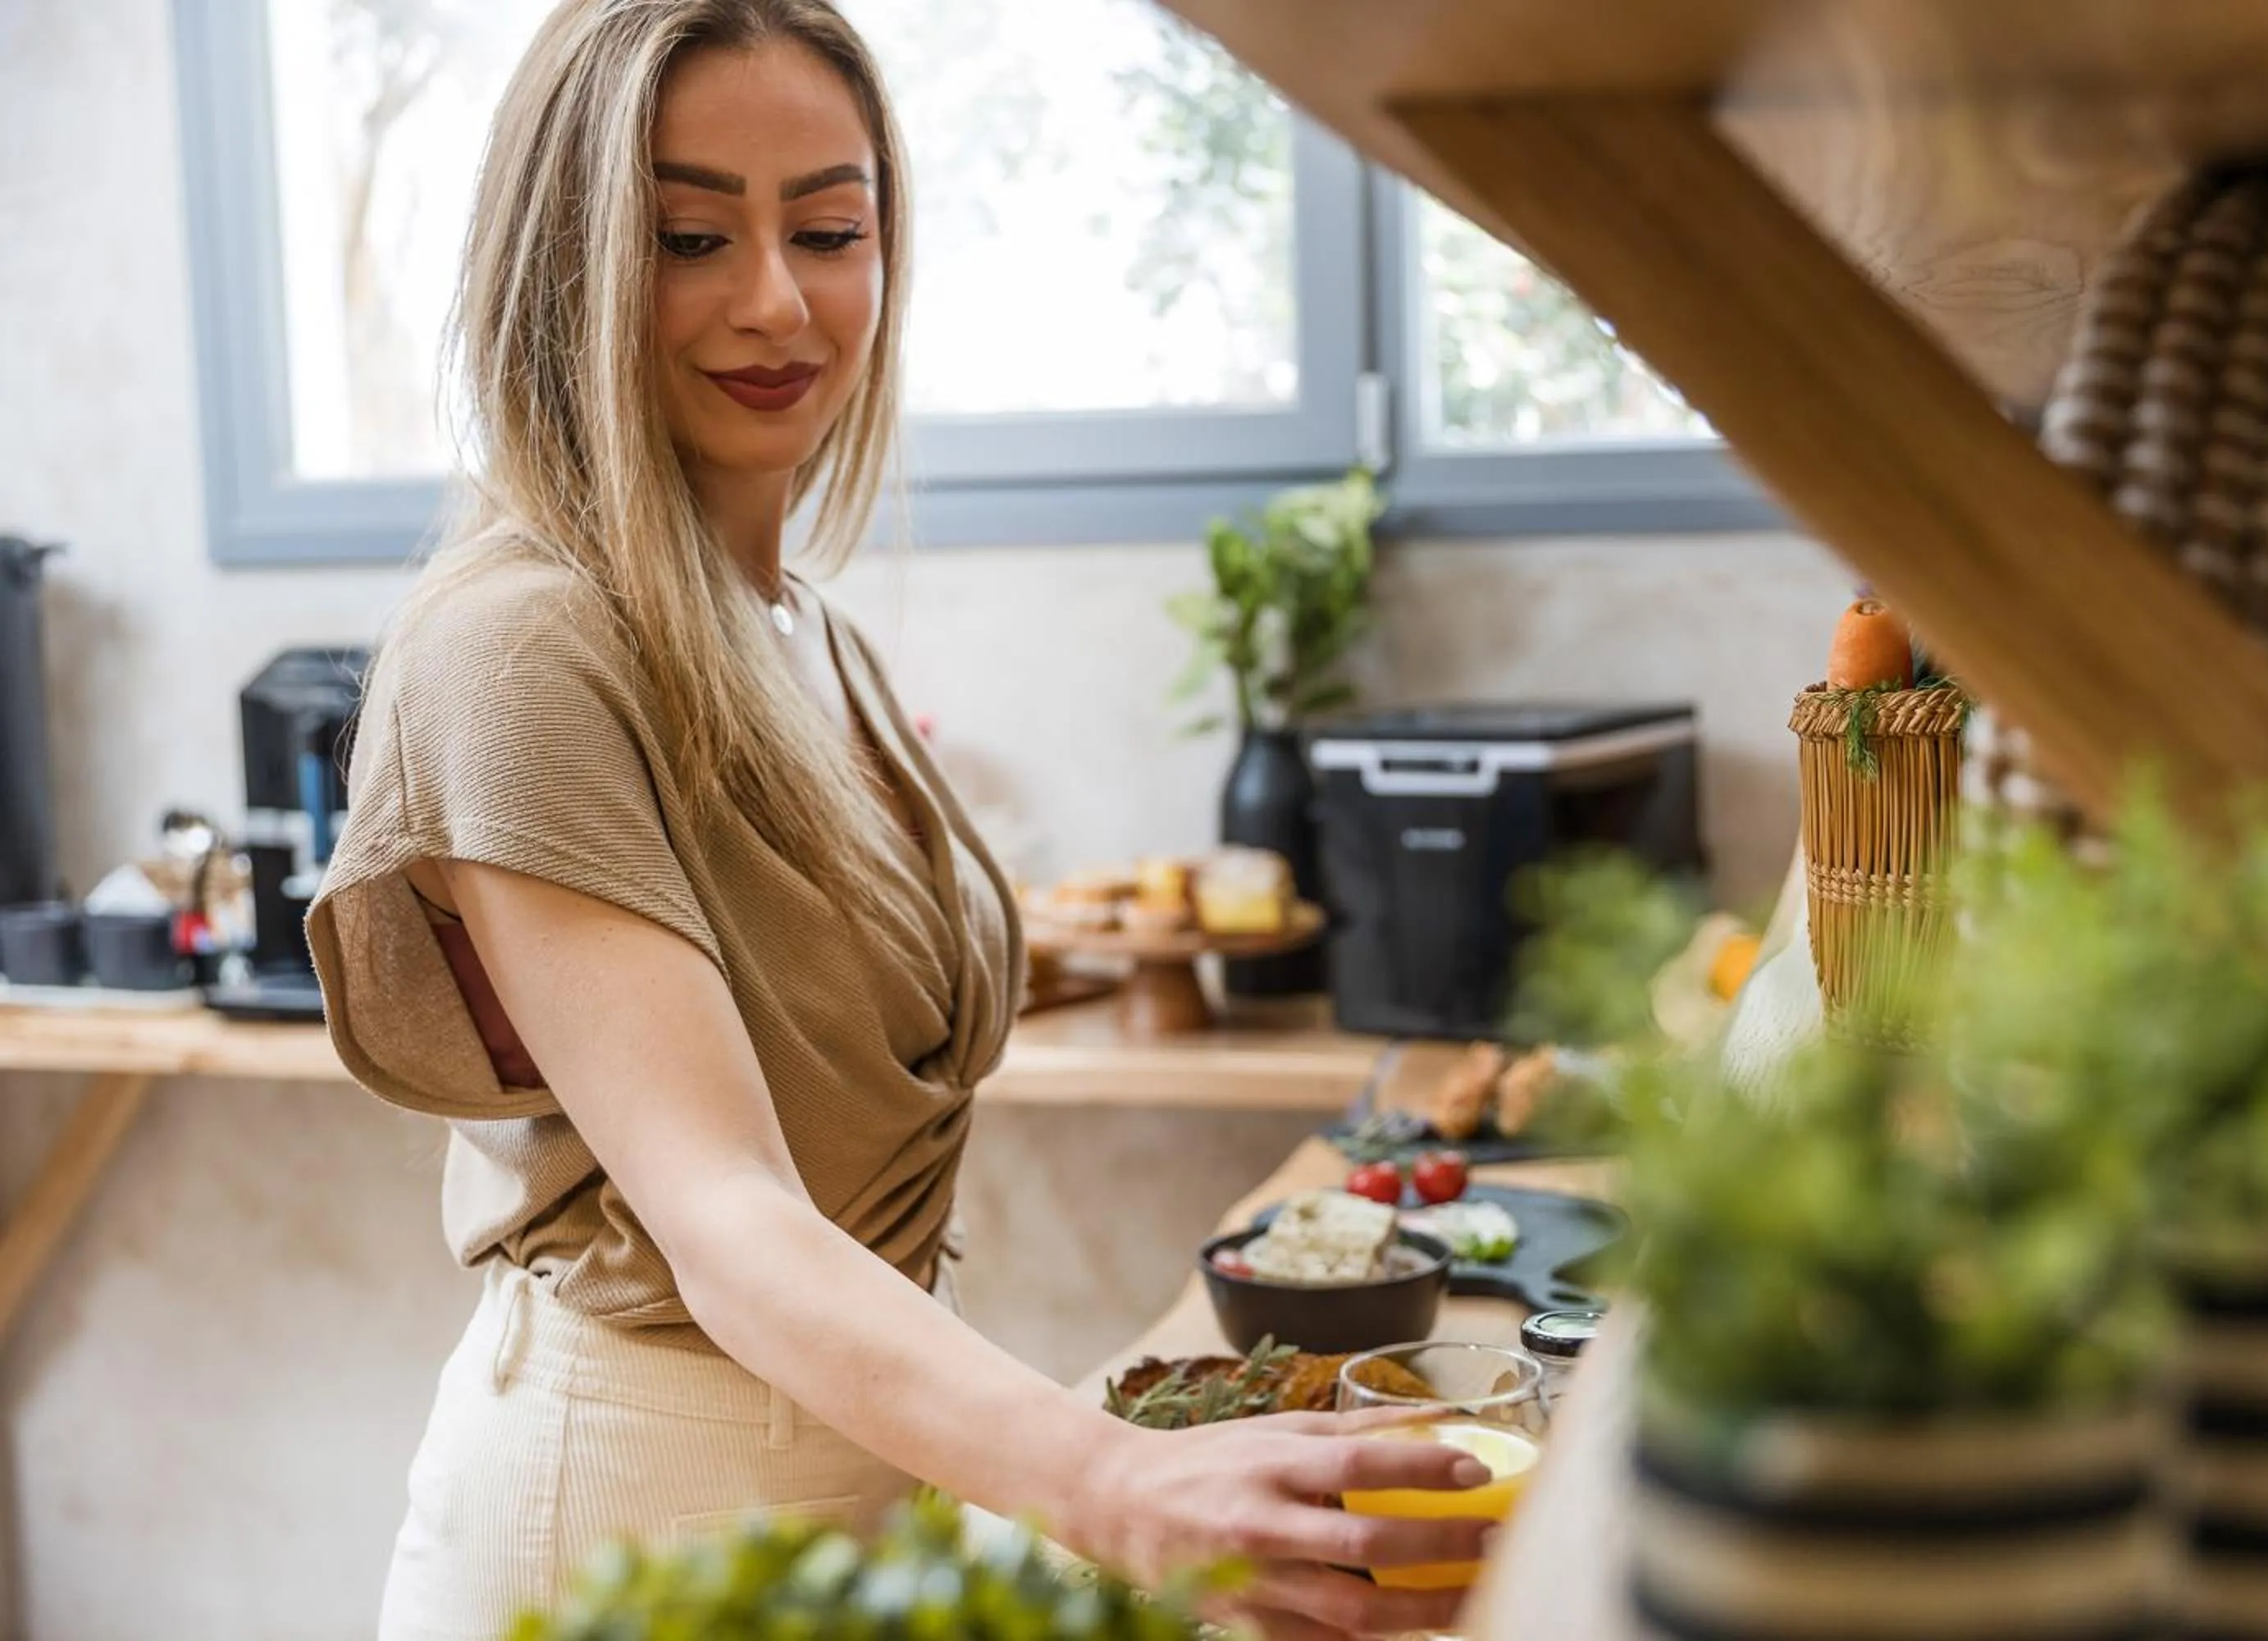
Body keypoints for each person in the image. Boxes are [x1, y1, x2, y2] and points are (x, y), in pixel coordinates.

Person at [306, 3, 1494, 1638]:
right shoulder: (519, 642)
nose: (778, 299)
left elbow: (849, 1006)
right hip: (630, 1502)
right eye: (690, 233)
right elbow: (722, 1207)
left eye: (831, 227)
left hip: (855, 1471)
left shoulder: (800, 631)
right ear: (566, 261)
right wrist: (1112, 1480)